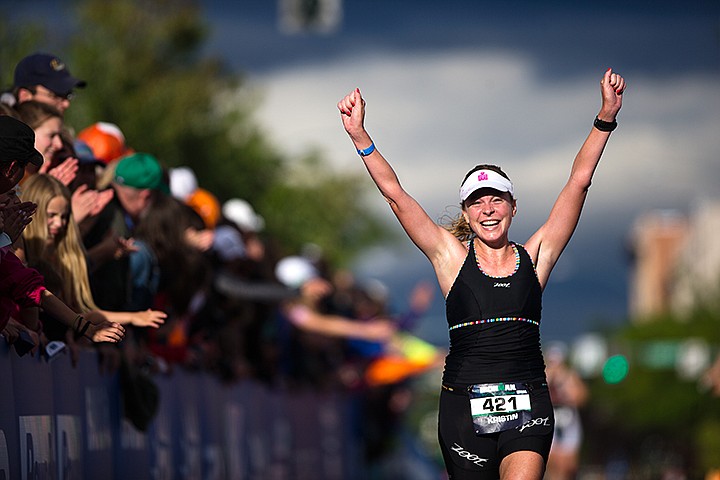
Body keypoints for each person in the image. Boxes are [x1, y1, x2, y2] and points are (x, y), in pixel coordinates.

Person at [337, 68, 626, 479]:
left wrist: (606, 117)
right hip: (462, 411)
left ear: (512, 207)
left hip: (529, 404)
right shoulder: (450, 258)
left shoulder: (536, 256)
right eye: (477, 202)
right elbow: (396, 196)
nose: (487, 208)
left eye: (496, 200)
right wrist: (360, 137)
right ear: (467, 215)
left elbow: (578, 182)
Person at [544, 343, 588, 480]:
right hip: (551, 423)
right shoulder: (543, 377)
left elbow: (581, 398)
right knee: (553, 463)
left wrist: (565, 382)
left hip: (569, 424)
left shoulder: (570, 377)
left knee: (569, 466)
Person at [9, 52, 86, 113]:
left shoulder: (63, 132)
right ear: (25, 96)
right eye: (56, 95)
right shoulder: (5, 132)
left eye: (68, 95)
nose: (66, 104)